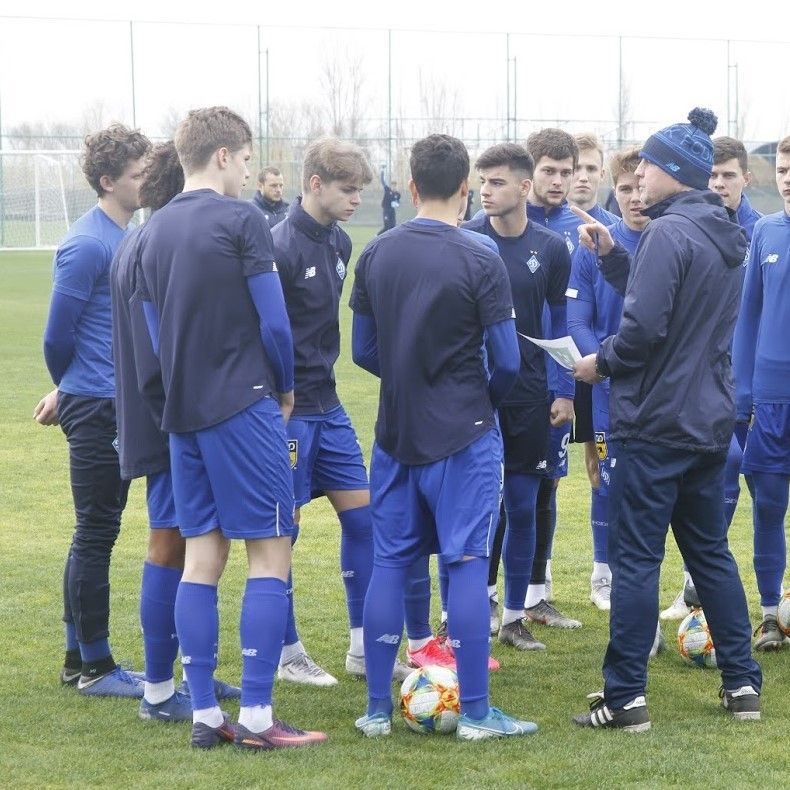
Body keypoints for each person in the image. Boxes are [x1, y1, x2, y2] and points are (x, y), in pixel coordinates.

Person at [136, 106, 326, 750]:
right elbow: (275, 325)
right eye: (247, 160)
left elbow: (152, 335)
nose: (250, 173)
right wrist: (286, 387)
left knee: (201, 557)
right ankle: (255, 716)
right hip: (244, 406)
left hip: (183, 416)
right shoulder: (243, 218)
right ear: (223, 156)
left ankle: (201, 716)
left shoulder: (152, 229)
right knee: (270, 551)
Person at [572, 108, 762, 730]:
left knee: (635, 561)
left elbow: (645, 330)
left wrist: (601, 364)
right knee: (711, 555)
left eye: (647, 165)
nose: (638, 175)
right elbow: (676, 307)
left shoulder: (665, 235)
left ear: (674, 172)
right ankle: (743, 688)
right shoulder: (721, 233)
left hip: (654, 424)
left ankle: (624, 697)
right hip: (708, 422)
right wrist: (612, 259)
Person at [350, 133, 536, 740]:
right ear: (465, 188)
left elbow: (363, 350)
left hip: (395, 433)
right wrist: (469, 390)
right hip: (465, 433)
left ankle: (377, 710)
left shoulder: (375, 254)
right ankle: (478, 715)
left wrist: (412, 376)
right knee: (464, 561)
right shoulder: (480, 256)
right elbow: (507, 362)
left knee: (390, 562)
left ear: (409, 186)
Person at [110, 141, 240, 722]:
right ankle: (160, 690)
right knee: (170, 545)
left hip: (163, 412)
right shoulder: (155, 243)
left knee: (193, 545)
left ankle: (189, 678)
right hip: (168, 418)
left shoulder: (147, 238)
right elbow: (157, 349)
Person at [270, 138, 393, 685]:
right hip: (288, 411)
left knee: (365, 519)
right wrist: (278, 395)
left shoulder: (342, 241)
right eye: (348, 190)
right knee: (282, 535)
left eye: (361, 191)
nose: (355, 200)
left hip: (330, 403)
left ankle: (363, 648)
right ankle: (286, 650)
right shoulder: (277, 246)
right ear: (315, 183)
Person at [36, 123, 151, 697]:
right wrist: (73, 389)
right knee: (97, 531)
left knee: (95, 530)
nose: (146, 181)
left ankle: (74, 657)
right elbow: (57, 337)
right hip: (97, 407)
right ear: (108, 181)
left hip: (112, 401)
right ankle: (96, 667)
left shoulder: (128, 233)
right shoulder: (87, 244)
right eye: (137, 174)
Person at [465, 142, 579, 650]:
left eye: (497, 183)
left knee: (524, 504)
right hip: (478, 395)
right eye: (482, 182)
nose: (486, 192)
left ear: (524, 188)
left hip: (533, 394)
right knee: (477, 507)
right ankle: (473, 605)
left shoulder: (552, 248)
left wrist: (564, 392)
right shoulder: (467, 240)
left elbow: (560, 323)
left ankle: (514, 615)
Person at [661, 135, 763, 621]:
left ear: (747, 177)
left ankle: (765, 593)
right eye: (713, 176)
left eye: (729, 175)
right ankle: (692, 584)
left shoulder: (759, 232)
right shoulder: (692, 228)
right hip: (709, 385)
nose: (720, 184)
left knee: (763, 490)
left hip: (758, 384)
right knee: (715, 477)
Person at [567, 145, 650, 612]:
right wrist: (605, 362)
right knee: (605, 478)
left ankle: (658, 579)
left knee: (648, 486)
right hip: (604, 384)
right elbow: (576, 319)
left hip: (655, 388)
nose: (635, 197)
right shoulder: (591, 243)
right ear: (613, 192)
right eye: (625, 189)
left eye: (641, 187)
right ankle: (604, 574)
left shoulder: (667, 241)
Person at [732, 134, 790, 651]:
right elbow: (747, 320)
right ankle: (770, 615)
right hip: (771, 401)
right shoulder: (766, 233)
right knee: (767, 505)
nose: (788, 177)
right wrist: (742, 395)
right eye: (785, 168)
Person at [378, 167, 400, 234]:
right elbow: (382, 181)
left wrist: (397, 204)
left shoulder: (398, 194)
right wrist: (382, 171)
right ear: (391, 186)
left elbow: (398, 202)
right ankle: (377, 236)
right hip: (386, 209)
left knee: (393, 226)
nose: (394, 187)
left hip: (392, 210)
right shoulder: (388, 190)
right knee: (386, 226)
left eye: (395, 186)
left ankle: (390, 239)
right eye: (393, 186)